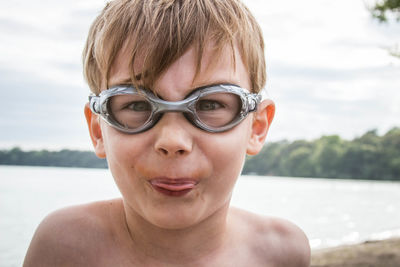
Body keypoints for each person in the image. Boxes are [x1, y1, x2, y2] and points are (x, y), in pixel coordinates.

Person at [23, 0, 310, 266]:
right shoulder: (64, 248)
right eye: (136, 104)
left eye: (210, 104)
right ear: (98, 130)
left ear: (257, 127)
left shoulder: (282, 252)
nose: (173, 141)